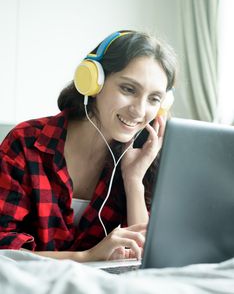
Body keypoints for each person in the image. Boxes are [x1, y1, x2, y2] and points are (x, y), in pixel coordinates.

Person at [0, 30, 177, 262]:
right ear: (93, 82)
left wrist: (133, 180)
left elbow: (145, 256)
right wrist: (86, 257)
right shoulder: (26, 143)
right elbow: (4, 250)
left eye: (154, 99)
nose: (139, 111)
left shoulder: (142, 157)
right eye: (128, 89)